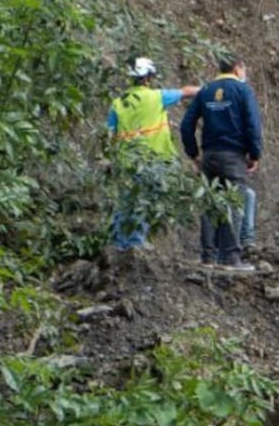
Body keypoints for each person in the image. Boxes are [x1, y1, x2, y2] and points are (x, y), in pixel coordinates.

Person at [180, 53, 263, 271]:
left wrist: (193, 153)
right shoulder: (243, 90)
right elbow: (253, 125)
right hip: (233, 155)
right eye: (243, 68)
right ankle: (231, 258)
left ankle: (208, 257)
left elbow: (186, 124)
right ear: (238, 67)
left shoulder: (206, 90)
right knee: (234, 202)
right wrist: (255, 154)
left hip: (209, 155)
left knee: (210, 203)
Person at [107, 57, 200, 250]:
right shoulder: (157, 96)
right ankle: (135, 246)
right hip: (154, 161)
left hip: (126, 162)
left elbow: (110, 135)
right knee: (144, 203)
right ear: (148, 78)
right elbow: (186, 92)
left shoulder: (117, 103)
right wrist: (212, 89)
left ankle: (118, 245)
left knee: (126, 203)